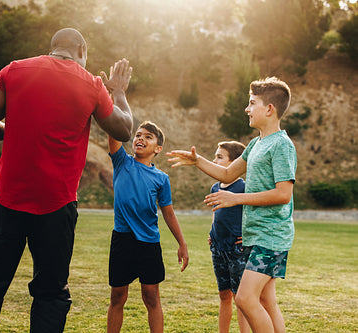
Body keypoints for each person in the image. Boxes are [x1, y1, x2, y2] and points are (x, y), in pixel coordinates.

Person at [0, 28, 134, 333]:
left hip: (6, 199)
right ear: (81, 51)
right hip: (56, 205)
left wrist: (12, 130)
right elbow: (124, 129)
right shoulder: (91, 84)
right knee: (51, 294)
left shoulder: (15, 70)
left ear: (52, 48)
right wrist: (119, 92)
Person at [167, 76, 297, 333]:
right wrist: (199, 161)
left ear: (269, 109)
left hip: (271, 236)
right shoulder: (255, 144)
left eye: (252, 103)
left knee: (245, 298)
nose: (247, 109)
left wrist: (236, 198)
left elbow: (283, 194)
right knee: (265, 300)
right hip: (256, 235)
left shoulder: (282, 145)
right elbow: (228, 175)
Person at [105, 120, 189, 333]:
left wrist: (182, 243)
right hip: (122, 240)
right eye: (138, 135)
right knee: (117, 296)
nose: (140, 138)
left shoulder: (161, 178)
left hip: (149, 243)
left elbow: (168, 213)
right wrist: (116, 96)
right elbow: (113, 130)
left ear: (158, 148)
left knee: (151, 297)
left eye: (148, 137)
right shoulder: (122, 161)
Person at [207, 141, 250, 333]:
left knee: (240, 298)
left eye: (219, 157)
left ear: (234, 163)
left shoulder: (244, 188)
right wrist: (212, 233)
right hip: (218, 248)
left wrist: (247, 236)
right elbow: (217, 214)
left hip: (236, 250)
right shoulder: (215, 187)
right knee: (223, 295)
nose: (214, 160)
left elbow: (253, 215)